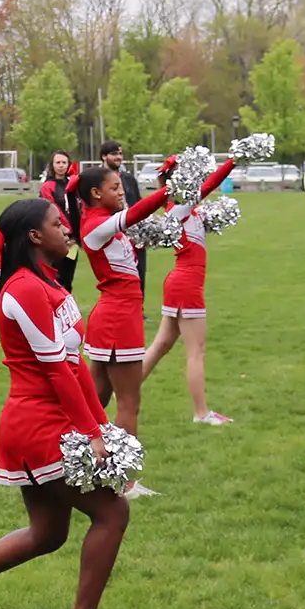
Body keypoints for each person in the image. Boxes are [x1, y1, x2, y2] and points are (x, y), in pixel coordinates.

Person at [0, 197, 134, 609]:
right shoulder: (25, 289)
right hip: (38, 425)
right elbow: (55, 368)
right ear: (35, 236)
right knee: (112, 511)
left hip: (53, 418)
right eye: (57, 223)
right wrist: (92, 432)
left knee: (48, 533)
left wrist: (102, 424)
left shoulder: (48, 282)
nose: (67, 228)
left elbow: (73, 365)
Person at [71, 154, 176, 471]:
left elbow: (151, 215)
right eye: (115, 187)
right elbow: (135, 213)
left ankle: (64, 457)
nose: (121, 192)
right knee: (129, 402)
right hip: (119, 319)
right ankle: (127, 480)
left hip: (114, 316)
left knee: (93, 403)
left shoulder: (104, 224)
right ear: (95, 194)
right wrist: (168, 191)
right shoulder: (94, 225)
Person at [140, 157, 236, 424]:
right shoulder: (178, 209)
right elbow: (210, 184)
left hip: (181, 283)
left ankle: (125, 391)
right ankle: (201, 413)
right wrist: (234, 160)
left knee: (160, 346)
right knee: (197, 351)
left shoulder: (186, 210)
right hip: (186, 285)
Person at [98, 141, 146, 291]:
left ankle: (139, 312)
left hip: (134, 234)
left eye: (120, 153)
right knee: (119, 277)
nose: (118, 157)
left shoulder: (129, 179)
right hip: (113, 233)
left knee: (139, 274)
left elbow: (138, 205)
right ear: (104, 156)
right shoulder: (97, 179)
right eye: (114, 154)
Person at [38, 151, 80, 291]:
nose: (61, 166)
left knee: (68, 276)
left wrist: (77, 233)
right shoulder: (47, 186)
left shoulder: (74, 184)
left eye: (64, 162)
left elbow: (81, 208)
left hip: (73, 240)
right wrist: (68, 231)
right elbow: (53, 211)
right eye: (58, 163)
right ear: (52, 165)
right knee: (56, 276)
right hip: (57, 236)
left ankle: (67, 309)